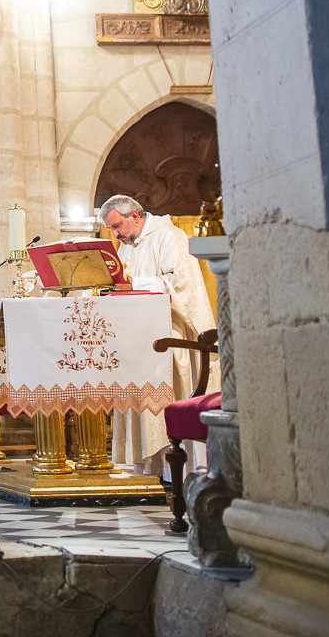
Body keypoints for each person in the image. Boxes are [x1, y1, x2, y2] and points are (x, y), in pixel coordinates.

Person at [99, 194, 219, 474]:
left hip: (169, 338)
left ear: (135, 216)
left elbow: (180, 285)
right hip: (138, 340)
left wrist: (134, 284)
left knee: (172, 399)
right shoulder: (127, 246)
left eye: (116, 226)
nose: (115, 235)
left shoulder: (169, 237)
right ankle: (148, 472)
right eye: (111, 229)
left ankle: (181, 473)